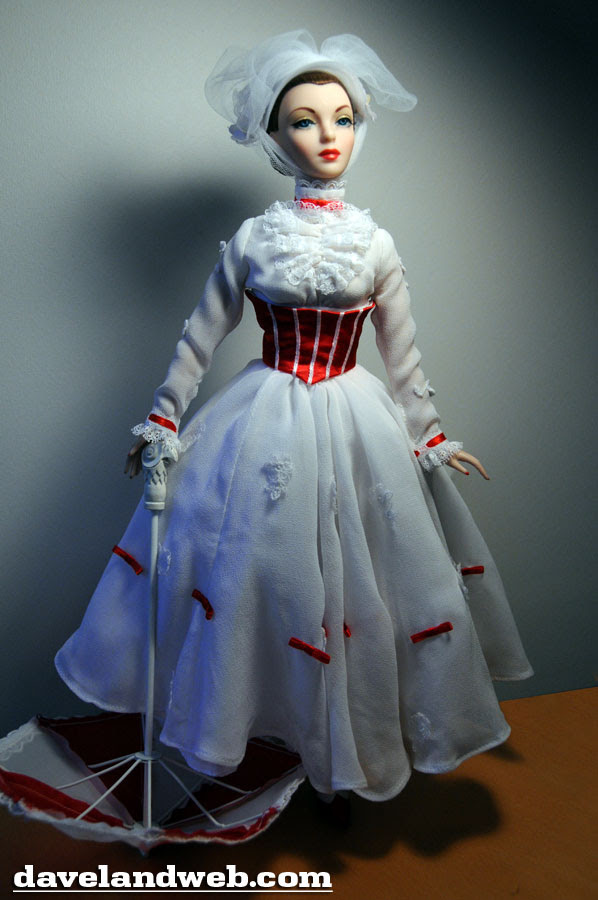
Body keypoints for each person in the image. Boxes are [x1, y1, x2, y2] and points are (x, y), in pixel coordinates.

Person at [56, 31, 532, 815]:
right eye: (304, 121)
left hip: (353, 420)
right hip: (263, 421)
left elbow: (403, 356)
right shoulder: (256, 239)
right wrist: (162, 421)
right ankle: (252, 737)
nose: (327, 136)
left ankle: (341, 757)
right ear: (275, 136)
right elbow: (200, 336)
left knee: (357, 582)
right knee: (257, 579)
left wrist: (430, 435)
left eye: (342, 119)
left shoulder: (373, 243)